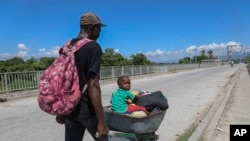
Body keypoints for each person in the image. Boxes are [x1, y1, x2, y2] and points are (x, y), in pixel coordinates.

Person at [56, 12, 108, 141]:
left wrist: (60, 109)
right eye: (99, 29)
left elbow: (60, 79)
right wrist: (101, 122)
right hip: (87, 110)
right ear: (91, 27)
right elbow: (93, 84)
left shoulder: (67, 46)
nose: (100, 33)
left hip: (69, 108)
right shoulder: (93, 47)